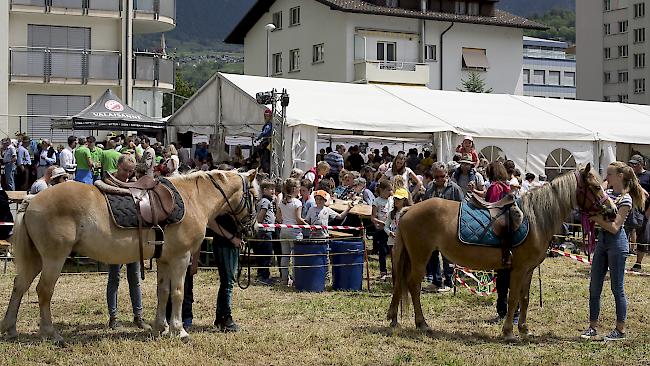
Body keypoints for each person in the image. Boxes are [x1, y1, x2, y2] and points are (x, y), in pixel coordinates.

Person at [581, 161, 646, 341]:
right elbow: (597, 189)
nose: (606, 177)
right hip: (602, 242)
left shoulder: (626, 199)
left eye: (609, 174)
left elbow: (615, 227)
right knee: (594, 287)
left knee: (617, 288)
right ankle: (592, 326)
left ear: (620, 176)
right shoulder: (607, 194)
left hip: (617, 243)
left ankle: (620, 329)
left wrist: (595, 218)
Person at [105, 155, 150, 330]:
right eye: (125, 170)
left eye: (131, 171)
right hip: (116, 239)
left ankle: (138, 316)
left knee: (135, 279)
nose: (127, 175)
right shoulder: (108, 183)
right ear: (118, 166)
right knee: (114, 278)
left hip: (133, 238)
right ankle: (113, 317)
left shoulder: (136, 185)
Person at [422, 163, 463, 293]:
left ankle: (449, 282)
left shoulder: (454, 188)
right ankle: (436, 281)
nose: (440, 179)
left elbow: (462, 207)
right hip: (432, 229)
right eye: (437, 176)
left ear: (447, 175)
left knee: (448, 256)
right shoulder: (429, 188)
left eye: (442, 176)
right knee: (432, 255)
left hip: (448, 229)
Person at [208, 214, 243, 332]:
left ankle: (220, 317)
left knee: (226, 283)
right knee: (228, 283)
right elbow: (211, 222)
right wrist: (232, 238)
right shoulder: (221, 207)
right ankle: (226, 318)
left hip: (229, 244)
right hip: (224, 245)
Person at [277, 178, 307, 285]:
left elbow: (279, 218)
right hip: (294, 232)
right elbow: (299, 219)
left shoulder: (281, 202)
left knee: (285, 256)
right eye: (299, 188)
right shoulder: (297, 202)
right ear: (294, 189)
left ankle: (284, 279)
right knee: (295, 257)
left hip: (283, 230)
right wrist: (307, 224)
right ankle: (295, 279)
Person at [627, 155, 650, 271]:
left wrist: (648, 213)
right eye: (631, 164)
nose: (632, 166)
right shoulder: (630, 176)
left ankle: (638, 263)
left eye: (634, 164)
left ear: (641, 164)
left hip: (644, 210)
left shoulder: (648, 176)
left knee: (643, 237)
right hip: (628, 209)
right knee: (624, 233)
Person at [255, 180, 276, 285]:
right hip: (265, 231)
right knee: (266, 254)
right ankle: (263, 276)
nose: (273, 191)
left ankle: (262, 274)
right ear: (264, 190)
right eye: (271, 189)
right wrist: (259, 224)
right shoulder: (265, 201)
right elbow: (261, 215)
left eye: (274, 189)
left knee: (264, 254)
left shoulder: (267, 200)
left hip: (266, 231)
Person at [372, 180, 393, 281]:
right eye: (388, 190)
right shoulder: (377, 201)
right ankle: (383, 271)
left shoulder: (392, 200)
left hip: (391, 228)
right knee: (382, 251)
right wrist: (379, 223)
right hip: (381, 229)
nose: (390, 192)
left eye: (391, 190)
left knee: (392, 250)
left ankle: (394, 271)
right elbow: (373, 217)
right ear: (382, 190)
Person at [384, 188, 410, 261]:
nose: (396, 200)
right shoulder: (391, 213)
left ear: (405, 200)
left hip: (404, 243)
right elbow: (386, 227)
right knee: (394, 263)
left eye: (399, 199)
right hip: (392, 242)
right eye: (395, 198)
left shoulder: (408, 213)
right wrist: (389, 233)